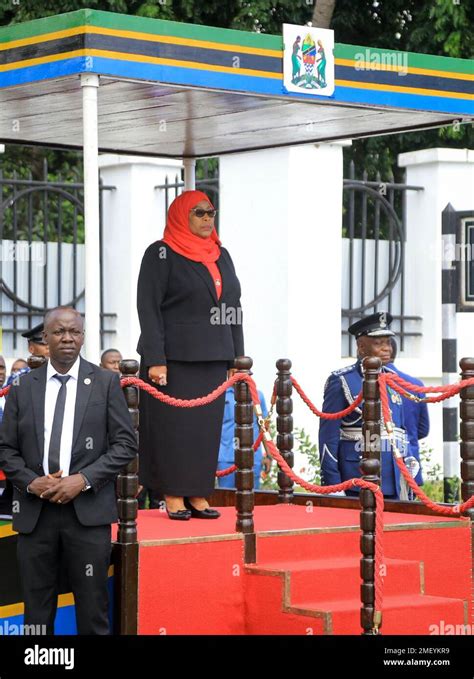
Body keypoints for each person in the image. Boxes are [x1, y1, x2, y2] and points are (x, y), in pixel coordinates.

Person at [0, 306, 137, 634]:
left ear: (83, 337)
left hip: (87, 517)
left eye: (74, 332)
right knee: (36, 611)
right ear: (45, 338)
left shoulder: (105, 383)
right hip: (36, 514)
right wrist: (32, 483)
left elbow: (125, 445)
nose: (67, 338)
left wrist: (84, 480)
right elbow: (6, 449)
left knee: (92, 608)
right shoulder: (23, 387)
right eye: (59, 332)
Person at [136, 190, 244, 520]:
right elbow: (148, 308)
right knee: (175, 430)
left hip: (213, 358)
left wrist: (236, 360)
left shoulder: (220, 254)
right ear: (182, 215)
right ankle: (172, 495)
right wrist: (156, 358)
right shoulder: (161, 253)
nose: (207, 217)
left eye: (211, 212)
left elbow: (233, 307)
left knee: (204, 432)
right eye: (199, 213)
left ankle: (198, 494)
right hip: (173, 361)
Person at [319, 311, 409, 499]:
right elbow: (328, 436)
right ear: (361, 347)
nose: (387, 348)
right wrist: (334, 487)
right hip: (355, 478)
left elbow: (401, 431)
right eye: (378, 343)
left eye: (387, 342)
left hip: (392, 479)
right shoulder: (341, 380)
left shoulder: (393, 380)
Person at [388, 337, 428, 487]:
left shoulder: (363, 382)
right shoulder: (415, 384)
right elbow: (423, 429)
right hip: (410, 462)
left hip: (378, 465)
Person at [217, 387, 269, 489]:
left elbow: (264, 428)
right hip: (226, 460)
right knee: (227, 501)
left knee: (252, 500)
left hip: (252, 459)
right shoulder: (220, 395)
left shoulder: (257, 396)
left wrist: (269, 456)